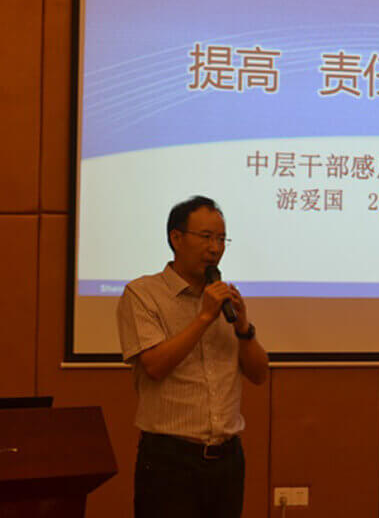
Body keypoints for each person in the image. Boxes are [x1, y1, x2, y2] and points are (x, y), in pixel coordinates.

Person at [117, 195, 269, 518]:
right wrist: (204, 318)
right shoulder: (143, 294)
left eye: (221, 239)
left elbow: (259, 374)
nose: (215, 248)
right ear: (176, 237)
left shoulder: (224, 300)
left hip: (227, 461)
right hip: (169, 462)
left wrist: (244, 328)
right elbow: (155, 365)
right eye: (206, 237)